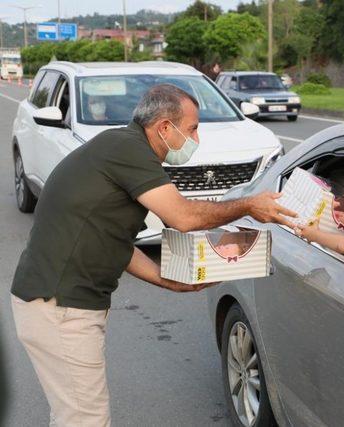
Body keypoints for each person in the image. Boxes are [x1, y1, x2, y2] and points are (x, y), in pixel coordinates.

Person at [10, 84, 297, 427]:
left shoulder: (121, 146)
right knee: (84, 420)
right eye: (192, 128)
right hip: (60, 306)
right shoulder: (128, 150)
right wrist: (249, 204)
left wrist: (168, 281)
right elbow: (184, 217)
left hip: (57, 304)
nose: (196, 138)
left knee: (75, 416)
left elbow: (116, 243)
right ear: (164, 127)